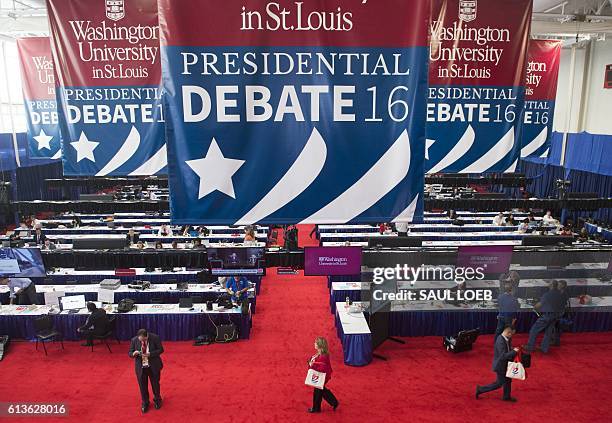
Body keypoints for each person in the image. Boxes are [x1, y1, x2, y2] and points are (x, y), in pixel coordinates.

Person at [476, 326, 519, 402]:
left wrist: (512, 349)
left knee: (508, 380)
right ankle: (480, 389)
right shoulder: (500, 341)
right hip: (500, 366)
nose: (512, 335)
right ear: (508, 332)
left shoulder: (506, 338)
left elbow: (507, 349)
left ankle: (506, 397)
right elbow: (503, 356)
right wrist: (514, 352)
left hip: (505, 365)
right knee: (499, 383)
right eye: (512, 334)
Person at [523, 280, 565, 353]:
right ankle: (544, 348)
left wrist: (534, 306)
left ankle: (530, 346)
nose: (548, 284)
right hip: (555, 316)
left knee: (534, 330)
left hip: (547, 315)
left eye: (549, 283)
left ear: (552, 285)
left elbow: (539, 305)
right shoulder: (560, 294)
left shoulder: (547, 294)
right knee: (548, 332)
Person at [129, 329, 164, 413]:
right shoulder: (134, 340)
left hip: (153, 366)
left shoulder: (155, 338)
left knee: (155, 384)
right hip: (141, 368)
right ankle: (145, 402)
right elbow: (130, 352)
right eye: (140, 340)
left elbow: (161, 350)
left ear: (147, 336)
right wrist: (133, 354)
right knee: (142, 386)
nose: (142, 342)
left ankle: (157, 400)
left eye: (144, 340)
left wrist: (150, 354)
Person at [307, 337, 339, 413]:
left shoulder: (323, 357)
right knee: (321, 390)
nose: (314, 344)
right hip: (322, 376)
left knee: (318, 391)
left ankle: (316, 408)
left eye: (316, 343)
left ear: (320, 345)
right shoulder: (321, 353)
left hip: (322, 376)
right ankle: (333, 402)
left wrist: (312, 365)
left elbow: (321, 369)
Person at [552, 280, 571, 347]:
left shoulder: (564, 294)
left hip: (559, 312)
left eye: (559, 285)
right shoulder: (559, 293)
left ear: (563, 286)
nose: (557, 286)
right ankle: (554, 340)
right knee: (555, 326)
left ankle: (556, 341)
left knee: (556, 326)